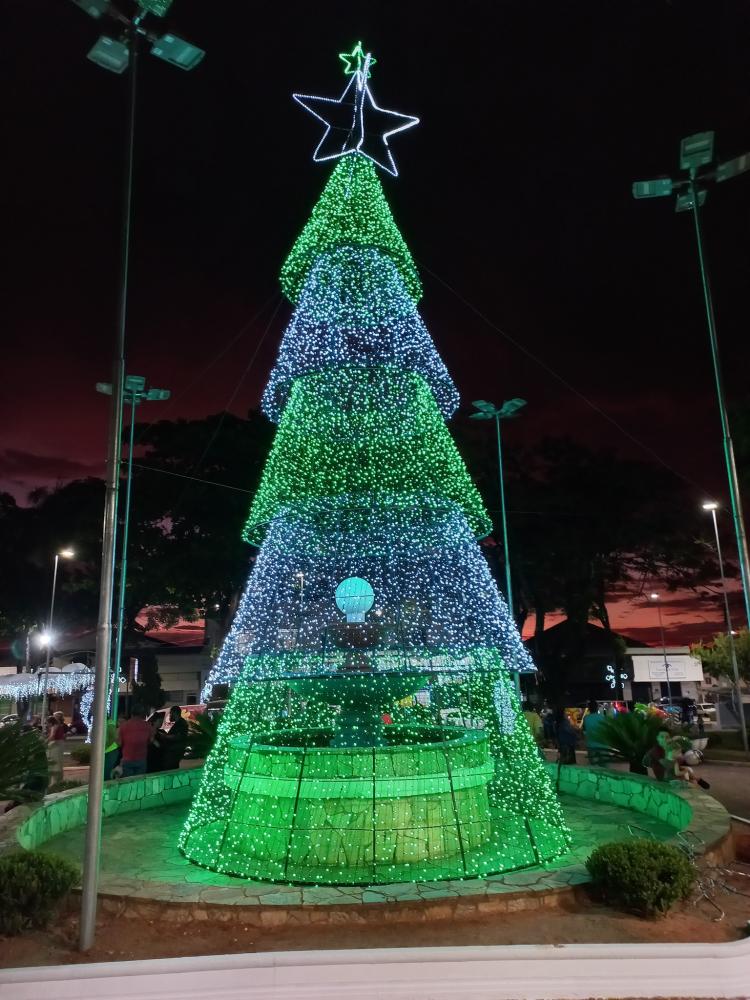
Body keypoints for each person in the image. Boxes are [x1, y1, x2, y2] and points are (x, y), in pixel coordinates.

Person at [116, 705, 153, 777]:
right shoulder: (147, 726)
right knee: (139, 784)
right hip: (141, 759)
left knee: (127, 783)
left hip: (127, 759)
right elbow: (150, 741)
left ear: (131, 713)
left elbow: (119, 743)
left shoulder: (123, 726)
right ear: (142, 714)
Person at [155, 706, 189, 771]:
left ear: (175, 713)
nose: (170, 715)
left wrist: (165, 736)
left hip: (174, 752)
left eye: (171, 713)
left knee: (170, 770)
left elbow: (178, 736)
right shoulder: (179, 723)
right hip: (174, 752)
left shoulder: (181, 723)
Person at [582, 699, 607, 766]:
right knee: (605, 767)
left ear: (589, 708)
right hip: (603, 746)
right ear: (597, 708)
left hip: (591, 746)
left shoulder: (586, 718)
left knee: (594, 768)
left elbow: (584, 732)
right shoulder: (603, 717)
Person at [46, 711, 67, 782]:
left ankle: (54, 781)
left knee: (54, 762)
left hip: (55, 744)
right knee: (58, 762)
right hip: (59, 743)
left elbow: (52, 736)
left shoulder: (55, 726)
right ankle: (58, 780)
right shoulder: (59, 725)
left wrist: (45, 742)